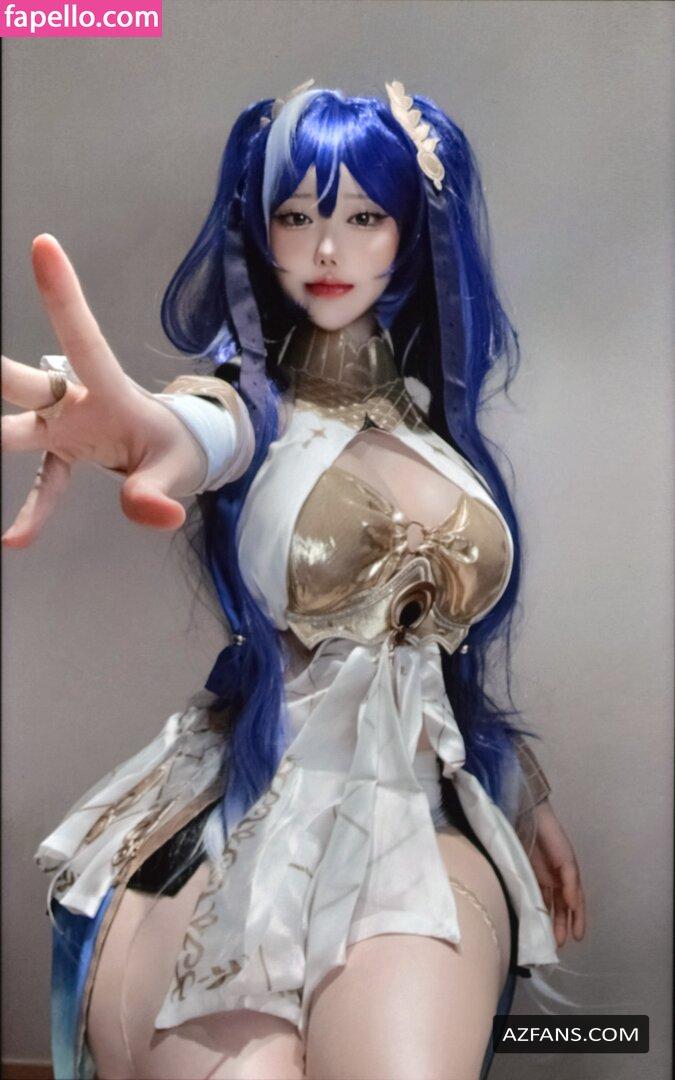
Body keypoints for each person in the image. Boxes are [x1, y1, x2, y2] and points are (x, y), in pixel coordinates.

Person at [3, 81, 586, 1080]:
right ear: (259, 229)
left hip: (416, 817)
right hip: (254, 805)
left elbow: (439, 671)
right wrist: (148, 432)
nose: (325, 249)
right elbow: (201, 429)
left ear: (408, 233)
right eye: (296, 215)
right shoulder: (250, 410)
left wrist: (523, 796)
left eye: (362, 217)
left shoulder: (437, 435)